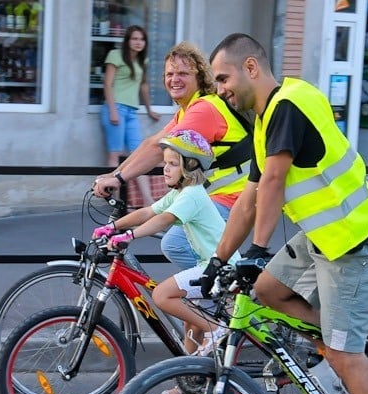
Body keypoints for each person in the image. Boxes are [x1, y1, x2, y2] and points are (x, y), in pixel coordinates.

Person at [201, 33, 368, 394]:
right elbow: (248, 200)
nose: (219, 89)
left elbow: (273, 183)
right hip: (322, 238)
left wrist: (258, 249)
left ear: (251, 67)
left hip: (356, 242)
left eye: (223, 78)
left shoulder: (289, 104)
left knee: (346, 354)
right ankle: (337, 355)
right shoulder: (266, 120)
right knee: (266, 291)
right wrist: (218, 259)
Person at [93, 129, 240, 394]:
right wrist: (112, 226)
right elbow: (148, 212)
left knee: (162, 295)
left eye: (173, 164)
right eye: (165, 163)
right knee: (189, 325)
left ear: (191, 165)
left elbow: (163, 220)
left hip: (220, 269)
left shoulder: (192, 195)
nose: (165, 169)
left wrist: (129, 236)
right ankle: (186, 386)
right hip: (209, 267)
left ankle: (215, 330)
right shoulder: (181, 192)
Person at [93, 41, 253, 270]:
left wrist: (118, 180)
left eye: (183, 73)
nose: (174, 79)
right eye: (169, 73)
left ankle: (218, 297)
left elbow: (159, 150)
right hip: (212, 195)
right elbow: (152, 142)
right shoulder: (188, 110)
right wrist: (114, 174)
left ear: (199, 77)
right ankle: (215, 288)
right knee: (171, 227)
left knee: (175, 243)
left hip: (232, 197)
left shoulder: (204, 109)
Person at [101, 25, 161, 207]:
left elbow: (143, 86)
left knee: (139, 155)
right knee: (115, 154)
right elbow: (107, 84)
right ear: (127, 40)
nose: (138, 42)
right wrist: (112, 110)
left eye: (141, 39)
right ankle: (117, 202)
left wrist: (149, 109)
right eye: (134, 38)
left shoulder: (142, 61)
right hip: (116, 108)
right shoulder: (115, 55)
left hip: (132, 111)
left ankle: (147, 201)